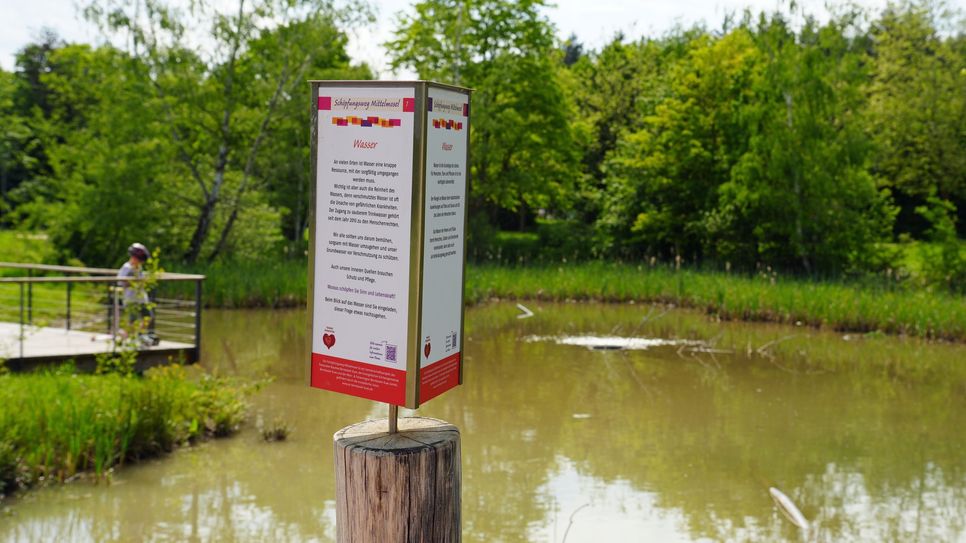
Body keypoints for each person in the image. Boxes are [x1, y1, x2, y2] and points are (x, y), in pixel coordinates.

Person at [117, 243, 158, 346]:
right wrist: (132, 282)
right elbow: (120, 281)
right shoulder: (127, 267)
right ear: (133, 257)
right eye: (138, 260)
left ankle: (138, 334)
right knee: (132, 321)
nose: (139, 262)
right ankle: (124, 337)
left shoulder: (139, 268)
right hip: (131, 298)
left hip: (141, 298)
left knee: (148, 316)